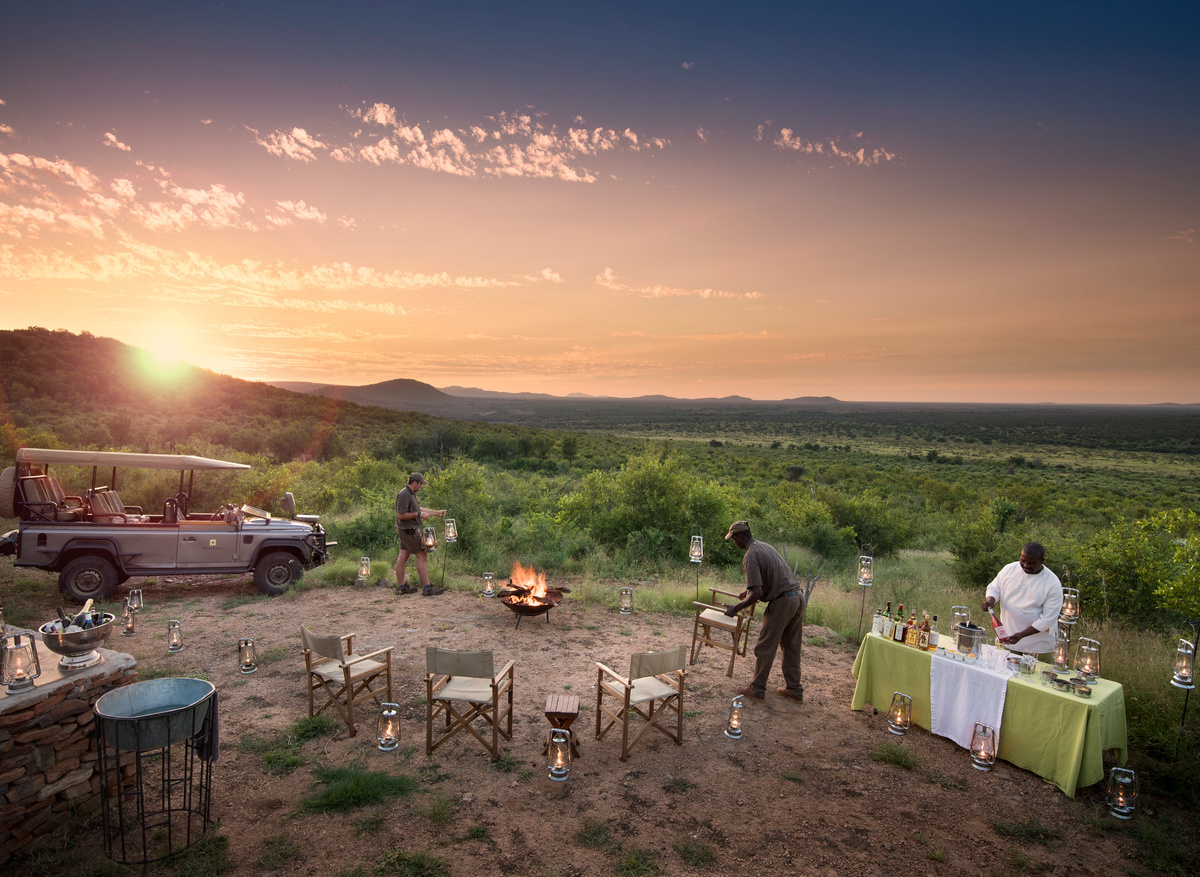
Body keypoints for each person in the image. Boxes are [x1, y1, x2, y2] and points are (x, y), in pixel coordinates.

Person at [722, 520, 805, 703]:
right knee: (791, 646)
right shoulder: (764, 546)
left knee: (765, 646)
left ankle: (757, 688)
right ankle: (795, 690)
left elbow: (758, 592)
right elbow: (766, 580)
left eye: (734, 539)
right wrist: (749, 592)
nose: (734, 543)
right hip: (798, 597)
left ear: (740, 537)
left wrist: (736, 608)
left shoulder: (750, 555)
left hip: (782, 602)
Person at [981, 542, 1063, 655]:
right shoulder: (1009, 569)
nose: (1026, 565)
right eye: (1023, 560)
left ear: (1042, 560)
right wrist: (990, 600)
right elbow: (994, 588)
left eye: (1031, 563)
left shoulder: (1052, 583)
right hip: (1007, 641)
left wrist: (1021, 635)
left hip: (1037, 648)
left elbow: (1047, 620)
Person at [394, 472, 447, 596]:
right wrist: (418, 515)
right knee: (422, 555)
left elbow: (418, 509)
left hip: (406, 530)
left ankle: (401, 587)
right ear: (415, 483)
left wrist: (436, 513)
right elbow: (400, 515)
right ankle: (427, 587)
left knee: (403, 557)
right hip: (409, 531)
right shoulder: (404, 494)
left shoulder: (411, 494)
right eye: (421, 484)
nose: (421, 486)